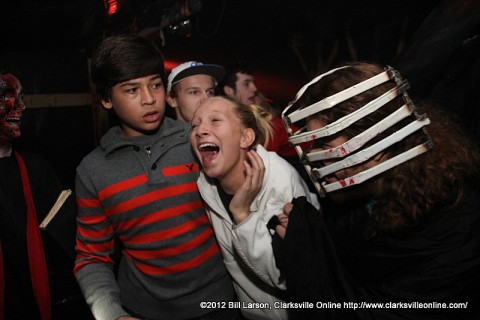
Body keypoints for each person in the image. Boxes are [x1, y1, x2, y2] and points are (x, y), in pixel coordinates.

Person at [277, 62, 480, 319]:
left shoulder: (455, 227)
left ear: (376, 144)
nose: (314, 153)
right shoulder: (360, 197)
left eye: (325, 142)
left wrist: (307, 259)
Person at [74, 34, 237, 320]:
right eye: (132, 90)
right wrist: (111, 314)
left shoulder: (198, 142)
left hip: (220, 303)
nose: (149, 99)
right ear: (105, 99)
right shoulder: (92, 171)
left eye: (156, 85)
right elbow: (91, 256)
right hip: (142, 310)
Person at [190, 95, 320, 320]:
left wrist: (242, 215)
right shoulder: (206, 186)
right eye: (195, 124)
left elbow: (289, 277)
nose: (200, 130)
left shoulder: (280, 182)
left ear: (245, 137)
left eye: (215, 121)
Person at [0, 72, 92, 319]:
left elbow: (75, 238)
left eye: (21, 97)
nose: (21, 106)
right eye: (8, 97)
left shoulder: (35, 170)